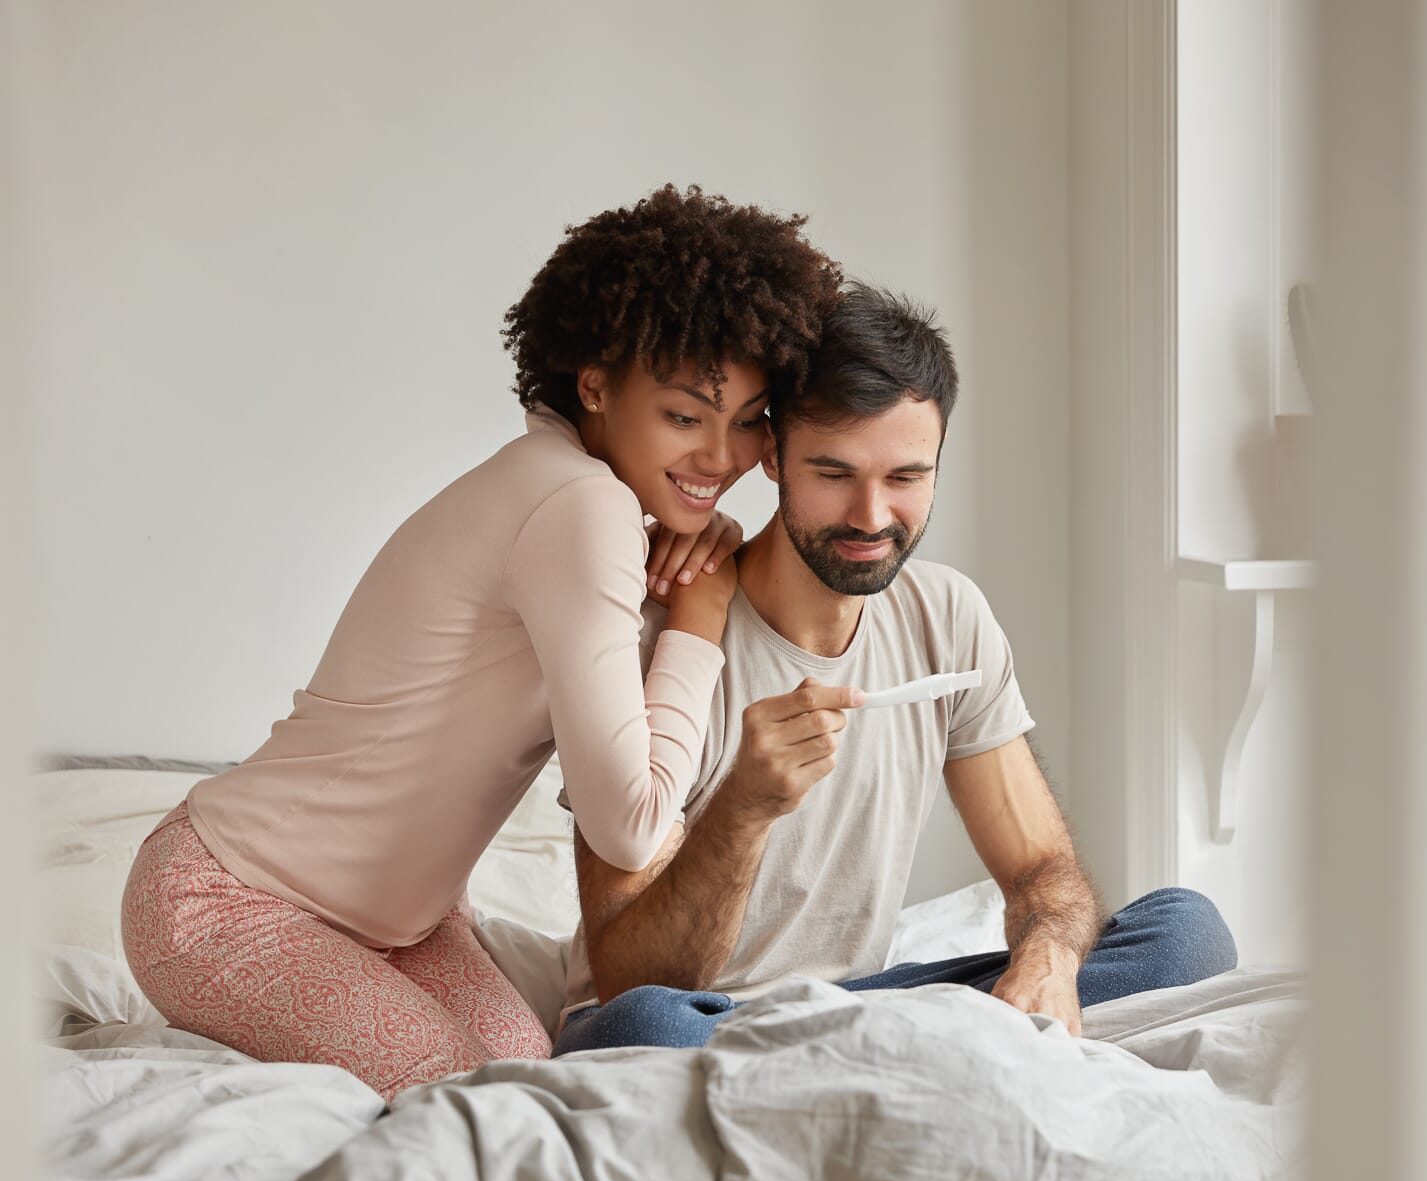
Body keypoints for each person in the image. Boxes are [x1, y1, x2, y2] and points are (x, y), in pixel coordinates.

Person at [120, 185, 840, 1099]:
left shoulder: (580, 493)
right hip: (225, 899)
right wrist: (699, 618)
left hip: (406, 924)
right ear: (594, 385)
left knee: (531, 1081)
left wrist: (690, 582)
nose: (720, 458)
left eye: (747, 421)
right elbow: (630, 822)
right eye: (685, 415)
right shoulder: (579, 505)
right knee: (480, 1106)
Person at [554, 285, 1237, 1053]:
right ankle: (919, 1053)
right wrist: (742, 807)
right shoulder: (659, 631)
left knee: (1185, 932)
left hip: (857, 1007)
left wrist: (1046, 955)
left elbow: (1042, 867)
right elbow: (629, 978)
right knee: (640, 1025)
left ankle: (885, 1054)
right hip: (702, 1021)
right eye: (834, 472)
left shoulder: (946, 616)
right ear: (773, 453)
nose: (872, 517)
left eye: (906, 477)